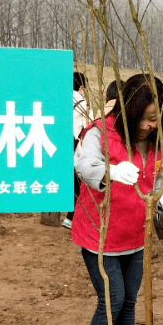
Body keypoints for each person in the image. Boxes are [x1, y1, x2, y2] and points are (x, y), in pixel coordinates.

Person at [71, 74, 163, 325]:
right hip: (100, 234)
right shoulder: (101, 132)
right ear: (130, 111)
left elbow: (159, 177)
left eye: (155, 120)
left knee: (129, 301)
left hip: (135, 233)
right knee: (112, 300)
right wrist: (109, 172)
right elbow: (82, 163)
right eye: (144, 119)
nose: (149, 127)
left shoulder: (159, 141)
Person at [64, 72, 93, 230]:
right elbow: (89, 128)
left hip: (55, 145)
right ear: (81, 87)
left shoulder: (59, 98)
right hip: (73, 147)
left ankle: (51, 212)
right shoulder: (83, 104)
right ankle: (70, 218)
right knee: (77, 184)